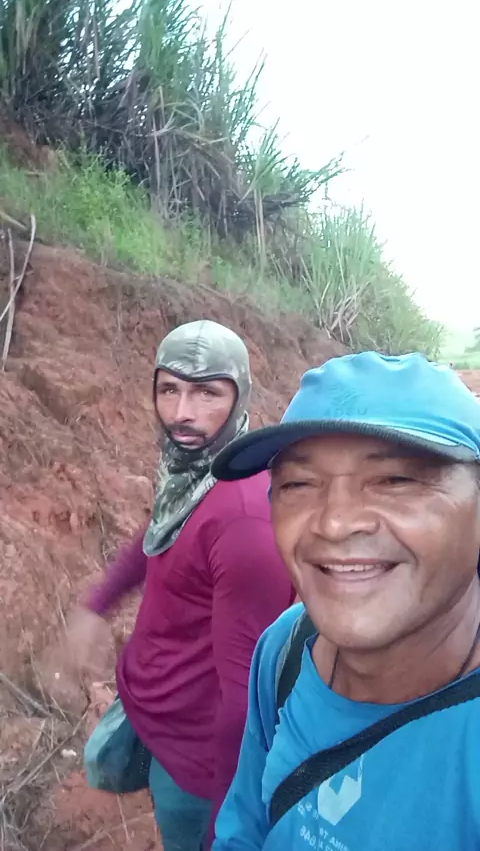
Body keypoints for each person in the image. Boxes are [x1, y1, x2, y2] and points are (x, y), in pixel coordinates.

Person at [210, 351, 480, 850]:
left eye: (395, 480)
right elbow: (245, 826)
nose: (335, 523)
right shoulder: (286, 648)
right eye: (298, 484)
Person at [65, 319, 294, 851]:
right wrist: (98, 604)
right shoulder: (195, 473)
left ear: (239, 399)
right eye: (169, 389)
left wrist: (226, 826)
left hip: (196, 762)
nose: (182, 413)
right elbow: (158, 533)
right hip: (153, 709)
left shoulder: (243, 520)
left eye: (207, 393)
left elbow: (245, 698)